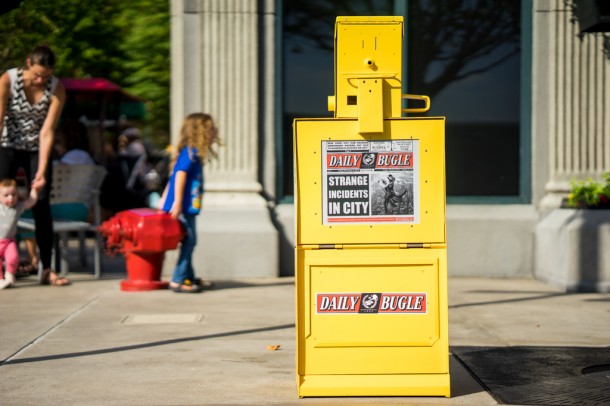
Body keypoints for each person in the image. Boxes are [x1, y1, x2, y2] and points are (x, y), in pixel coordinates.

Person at [0, 44, 70, 286]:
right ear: (28, 62)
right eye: (37, 74)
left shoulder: (56, 88)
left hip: (36, 149)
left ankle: (46, 268)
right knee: (1, 199)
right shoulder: (8, 80)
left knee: (41, 204)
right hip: (7, 143)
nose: (41, 80)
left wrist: (40, 172)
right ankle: (3, 265)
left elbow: (47, 132)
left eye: (46, 76)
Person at [158, 113, 220, 293]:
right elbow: (179, 174)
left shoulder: (192, 153)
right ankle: (178, 279)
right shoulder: (191, 152)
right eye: (211, 128)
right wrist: (176, 202)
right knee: (190, 241)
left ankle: (188, 277)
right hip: (183, 206)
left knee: (188, 240)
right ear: (202, 131)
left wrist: (166, 198)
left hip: (186, 206)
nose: (214, 132)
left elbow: (173, 174)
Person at [0, 179, 39, 289]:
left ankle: (9, 275)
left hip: (9, 241)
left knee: (13, 258)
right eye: (6, 195)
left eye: (13, 194)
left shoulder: (17, 207)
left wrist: (35, 189)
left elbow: (31, 202)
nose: (10, 198)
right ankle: (0, 279)